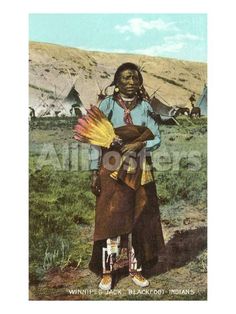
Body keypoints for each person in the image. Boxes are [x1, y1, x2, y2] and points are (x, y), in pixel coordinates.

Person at [88, 62, 165, 290]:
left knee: (138, 218)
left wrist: (140, 143)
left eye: (135, 78)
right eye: (125, 78)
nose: (131, 83)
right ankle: (107, 272)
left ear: (140, 82)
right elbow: (94, 138)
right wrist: (94, 171)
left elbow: (156, 137)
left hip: (139, 167)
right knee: (110, 219)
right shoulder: (108, 105)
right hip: (110, 167)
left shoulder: (145, 107)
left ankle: (136, 269)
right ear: (116, 82)